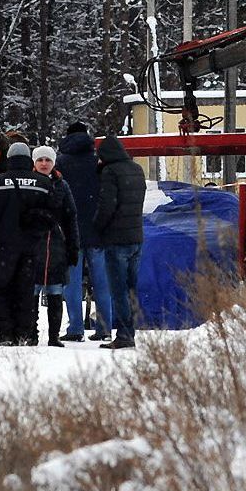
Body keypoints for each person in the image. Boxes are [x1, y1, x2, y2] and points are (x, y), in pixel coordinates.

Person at [0, 142, 55, 346]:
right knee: (26, 290)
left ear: (8, 158)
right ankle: (24, 333)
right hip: (32, 246)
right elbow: (54, 213)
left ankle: (4, 333)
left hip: (4, 245)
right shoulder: (43, 183)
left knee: (0, 288)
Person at [55, 122, 114, 342]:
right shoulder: (98, 161)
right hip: (97, 229)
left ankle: (76, 328)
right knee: (101, 281)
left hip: (71, 230)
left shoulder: (61, 162)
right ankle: (105, 327)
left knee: (72, 281)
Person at [93, 134, 146, 350]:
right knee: (131, 288)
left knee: (118, 290)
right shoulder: (136, 169)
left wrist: (96, 228)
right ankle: (130, 331)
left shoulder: (110, 172)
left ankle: (124, 335)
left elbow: (107, 205)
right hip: (136, 238)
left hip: (116, 239)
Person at [30, 146, 80, 348]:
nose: (44, 163)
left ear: (53, 163)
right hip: (33, 246)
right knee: (32, 292)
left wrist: (73, 246)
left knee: (55, 292)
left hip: (56, 246)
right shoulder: (28, 182)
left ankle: (53, 335)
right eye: (40, 160)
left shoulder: (62, 185)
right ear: (34, 162)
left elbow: (71, 217)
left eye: (47, 160)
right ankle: (31, 333)